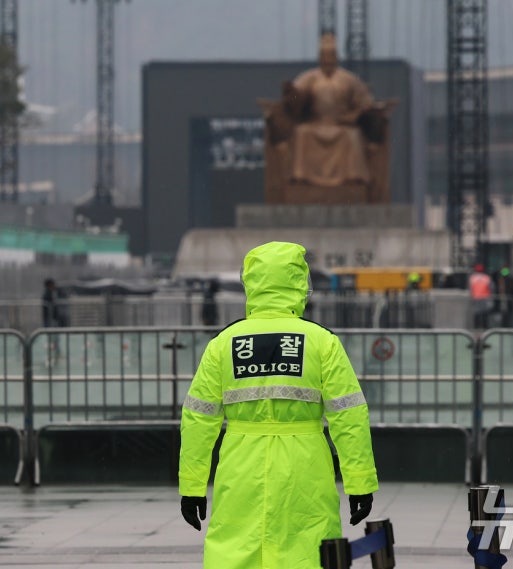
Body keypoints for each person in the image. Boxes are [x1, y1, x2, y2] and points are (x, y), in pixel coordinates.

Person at [178, 241, 377, 569]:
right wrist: (360, 483)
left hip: (240, 464)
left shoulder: (223, 344)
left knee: (236, 548)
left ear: (251, 284)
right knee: (309, 549)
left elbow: (199, 418)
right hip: (306, 465)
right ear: (300, 283)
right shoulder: (321, 342)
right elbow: (349, 415)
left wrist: (192, 486)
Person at [289, 33, 375, 187]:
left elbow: (365, 102)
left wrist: (353, 116)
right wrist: (293, 95)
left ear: (336, 57)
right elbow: (295, 97)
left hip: (341, 125)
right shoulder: (309, 78)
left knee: (353, 136)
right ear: (319, 57)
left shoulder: (348, 79)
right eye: (324, 55)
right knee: (301, 133)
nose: (327, 59)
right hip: (316, 123)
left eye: (331, 55)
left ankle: (353, 177)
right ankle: (300, 176)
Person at [42, 278, 68, 364]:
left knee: (55, 338)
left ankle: (56, 353)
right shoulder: (47, 295)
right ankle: (53, 354)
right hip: (51, 320)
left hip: (52, 319)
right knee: (53, 338)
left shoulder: (52, 293)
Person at [469, 263, 494, 328]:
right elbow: (491, 288)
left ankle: (476, 328)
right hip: (485, 298)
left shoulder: (472, 278)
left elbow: (470, 288)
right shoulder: (487, 278)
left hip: (476, 297)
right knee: (485, 314)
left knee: (476, 314)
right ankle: (485, 328)